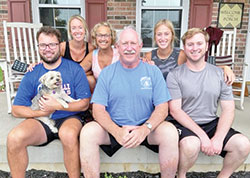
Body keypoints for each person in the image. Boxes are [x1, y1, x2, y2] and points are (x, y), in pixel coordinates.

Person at [79, 26, 179, 178]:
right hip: (115, 127)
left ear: (140, 46)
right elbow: (98, 109)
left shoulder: (153, 71)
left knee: (170, 132)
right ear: (117, 47)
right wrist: (116, 131)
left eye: (133, 43)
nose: (129, 48)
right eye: (125, 44)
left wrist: (146, 128)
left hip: (146, 127)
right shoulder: (107, 73)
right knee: (88, 132)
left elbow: (162, 107)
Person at [7, 27, 91, 178]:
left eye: (52, 44)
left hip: (69, 116)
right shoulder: (33, 73)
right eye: (43, 45)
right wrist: (41, 112)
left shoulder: (74, 69)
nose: (48, 49)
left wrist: (57, 106)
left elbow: (84, 103)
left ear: (60, 45)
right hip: (41, 119)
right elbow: (16, 109)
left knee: (68, 135)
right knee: (14, 138)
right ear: (38, 47)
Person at [167, 28, 250, 178]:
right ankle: (181, 175)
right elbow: (175, 111)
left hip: (211, 122)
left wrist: (218, 138)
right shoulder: (175, 75)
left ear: (206, 46)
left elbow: (228, 110)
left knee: (243, 145)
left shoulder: (220, 74)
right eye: (190, 44)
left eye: (199, 43)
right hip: (184, 124)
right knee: (191, 145)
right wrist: (203, 137)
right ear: (184, 48)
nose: (195, 48)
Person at [145, 19, 235, 84]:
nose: (163, 38)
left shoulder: (181, 55)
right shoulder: (149, 56)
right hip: (157, 99)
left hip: (177, 97)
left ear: (172, 36)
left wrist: (224, 67)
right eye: (159, 34)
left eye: (166, 34)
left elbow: (202, 66)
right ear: (155, 37)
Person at [80, 22, 119, 92]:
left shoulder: (119, 54)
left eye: (106, 35)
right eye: (100, 35)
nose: (103, 39)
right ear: (95, 38)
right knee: (89, 79)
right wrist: (88, 73)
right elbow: (77, 71)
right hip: (100, 95)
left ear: (112, 37)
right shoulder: (93, 55)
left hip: (118, 93)